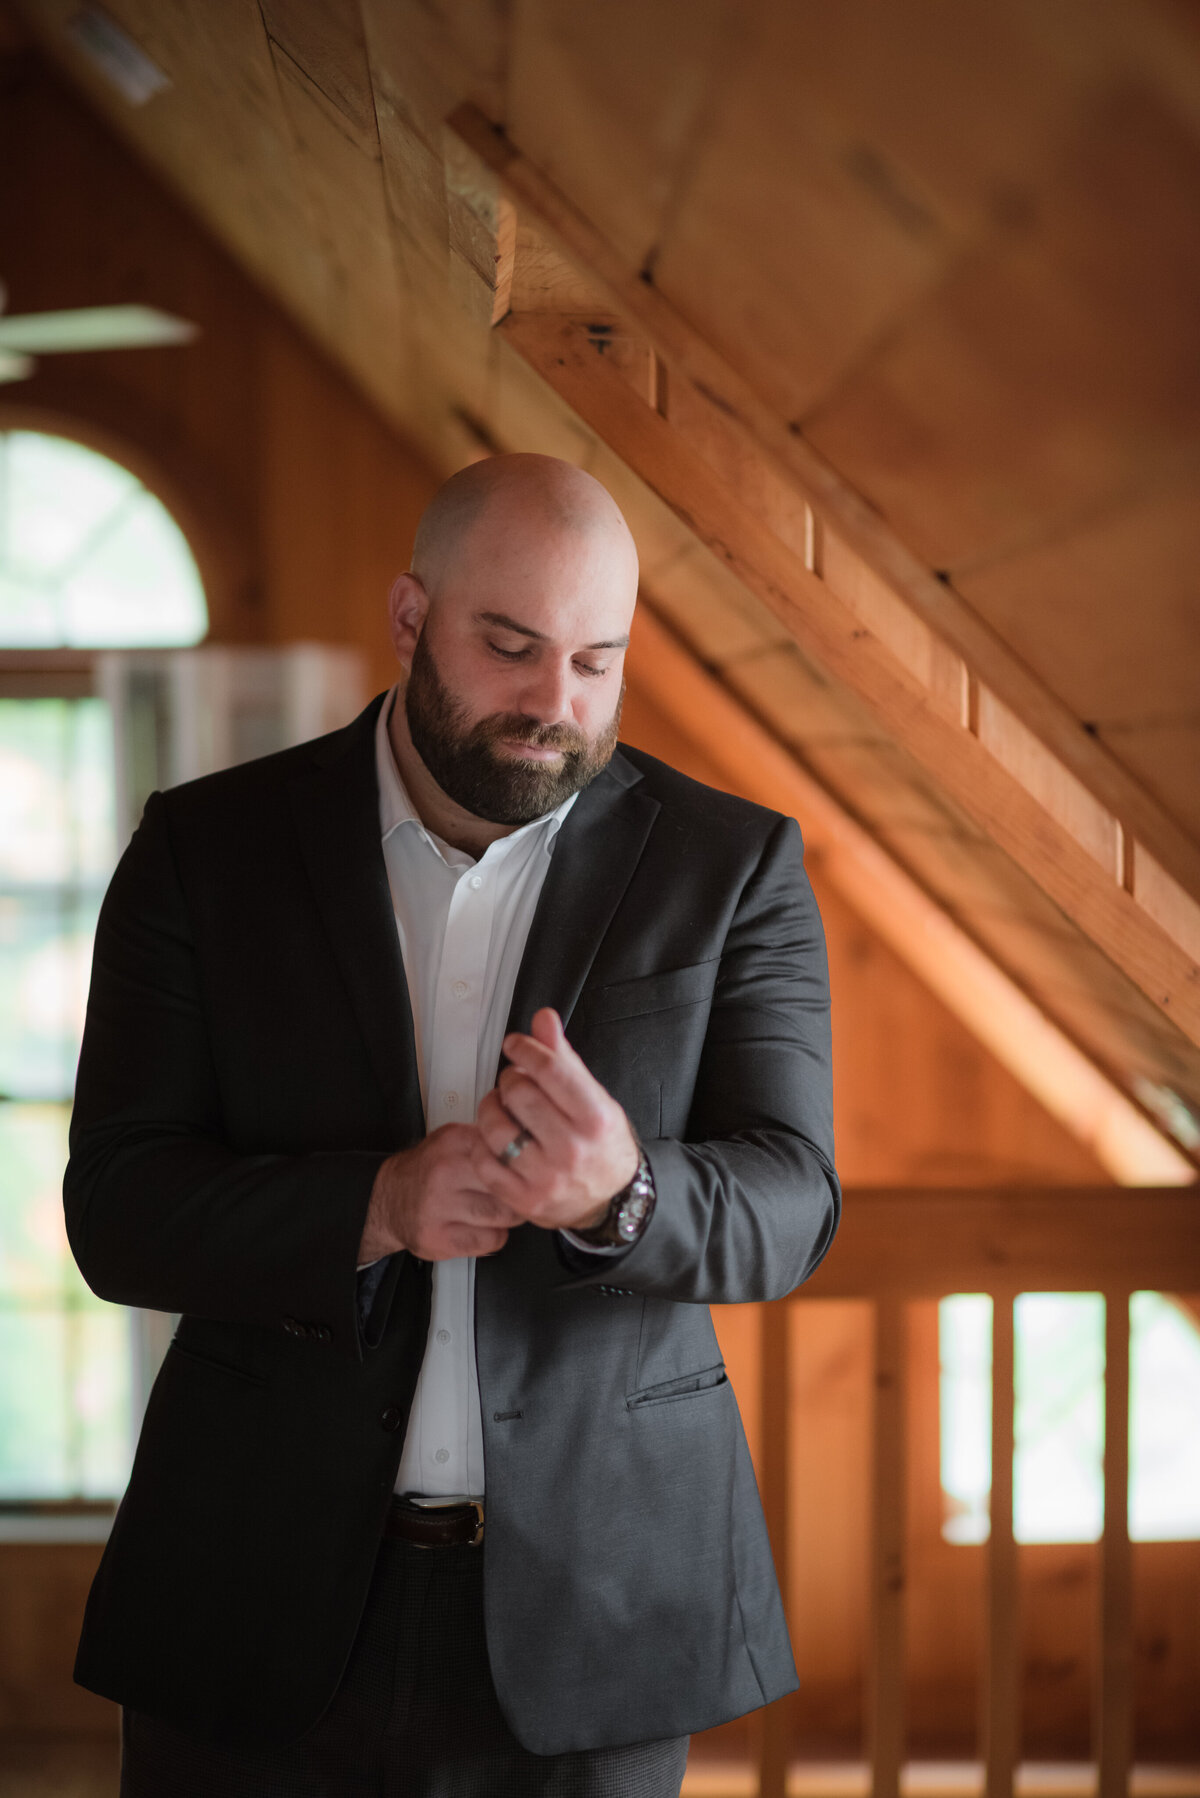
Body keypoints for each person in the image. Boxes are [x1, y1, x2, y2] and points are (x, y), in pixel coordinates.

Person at [66, 453, 841, 1796]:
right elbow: (119, 1209)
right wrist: (375, 1205)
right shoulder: (204, 851)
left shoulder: (736, 867)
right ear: (411, 616)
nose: (556, 703)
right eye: (511, 645)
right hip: (249, 1590)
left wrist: (623, 1194)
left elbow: (795, 1201)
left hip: (598, 1617)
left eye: (597, 661)